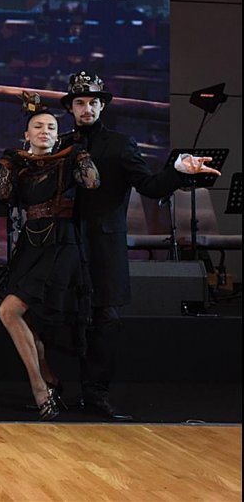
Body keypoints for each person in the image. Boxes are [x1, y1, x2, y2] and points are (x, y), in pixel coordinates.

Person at [59, 71, 220, 420]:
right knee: (65, 317)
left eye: (93, 102)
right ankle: (61, 390)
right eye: (80, 102)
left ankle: (96, 394)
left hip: (104, 247)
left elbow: (150, 186)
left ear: (102, 106)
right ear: (71, 107)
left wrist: (179, 170)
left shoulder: (120, 144)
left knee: (106, 318)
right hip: (65, 245)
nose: (87, 108)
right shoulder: (60, 144)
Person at [0, 93, 100, 420]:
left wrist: (80, 155)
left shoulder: (69, 160)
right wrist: (10, 165)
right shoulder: (20, 165)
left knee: (9, 311)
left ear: (58, 135)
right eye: (38, 126)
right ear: (26, 134)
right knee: (25, 319)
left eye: (51, 127)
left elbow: (92, 183)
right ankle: (50, 380)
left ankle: (40, 388)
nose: (45, 131)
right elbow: (3, 195)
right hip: (31, 244)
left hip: (61, 244)